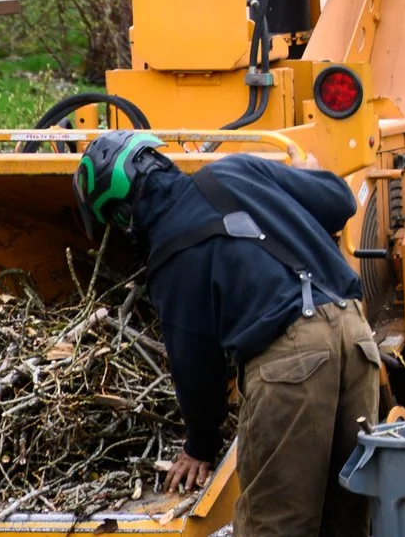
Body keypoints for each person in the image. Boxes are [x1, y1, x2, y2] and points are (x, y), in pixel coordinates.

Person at [74, 132, 381, 537]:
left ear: (121, 213)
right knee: (349, 520)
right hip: (358, 339)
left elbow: (196, 367)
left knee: (275, 525)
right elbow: (340, 201)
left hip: (293, 363)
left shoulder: (171, 256)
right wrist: (306, 179)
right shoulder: (236, 170)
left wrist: (200, 444)